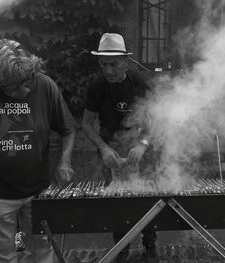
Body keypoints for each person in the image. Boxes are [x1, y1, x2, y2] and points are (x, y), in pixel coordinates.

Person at [0, 39, 75, 262]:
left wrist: (64, 162)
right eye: (14, 86)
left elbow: (68, 129)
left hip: (38, 191)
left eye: (26, 82)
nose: (24, 90)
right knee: (2, 258)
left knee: (44, 254)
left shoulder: (45, 85)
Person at [82, 33, 158, 263]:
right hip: (110, 150)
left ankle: (150, 244)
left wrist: (143, 144)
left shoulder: (140, 83)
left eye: (114, 64)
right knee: (117, 201)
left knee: (147, 199)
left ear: (125, 61)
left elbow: (157, 120)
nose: (108, 70)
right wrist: (104, 148)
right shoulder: (96, 87)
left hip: (140, 148)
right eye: (104, 65)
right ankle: (121, 247)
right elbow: (86, 124)